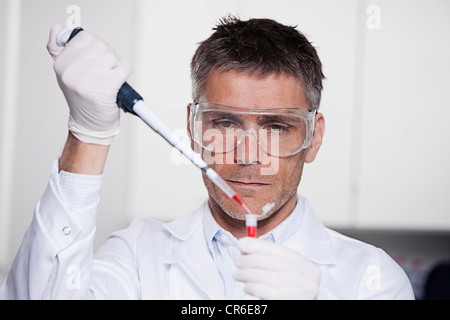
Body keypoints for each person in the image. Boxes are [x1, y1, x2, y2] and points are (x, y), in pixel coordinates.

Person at [0, 16, 414, 300]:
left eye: (276, 126)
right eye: (226, 124)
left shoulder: (370, 279)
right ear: (195, 131)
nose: (249, 156)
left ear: (314, 138)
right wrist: (88, 135)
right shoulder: (137, 256)